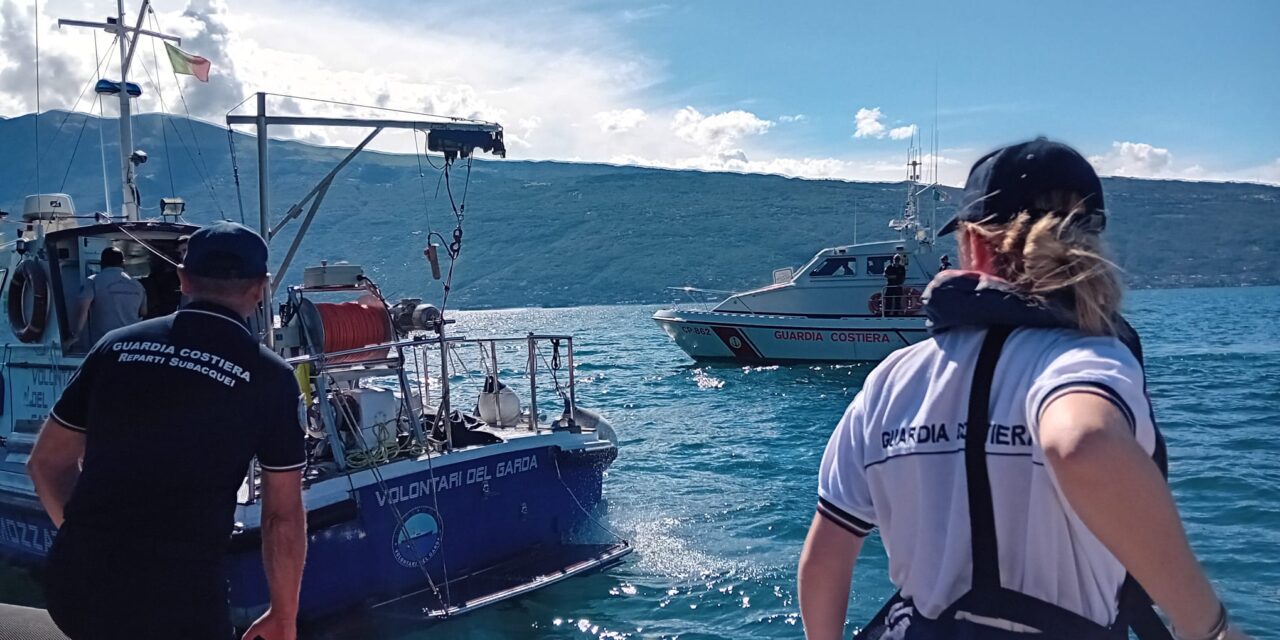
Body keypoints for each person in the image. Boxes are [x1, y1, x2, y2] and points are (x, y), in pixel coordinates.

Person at [798, 139, 1247, 640]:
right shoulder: (1084, 360)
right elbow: (1083, 443)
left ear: (974, 244)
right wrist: (1211, 628)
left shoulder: (892, 378)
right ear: (1090, 243)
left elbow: (824, 561)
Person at [27, 222, 308, 640]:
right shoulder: (269, 377)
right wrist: (284, 615)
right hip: (178, 597)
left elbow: (45, 464)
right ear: (261, 287)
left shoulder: (114, 347)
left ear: (182, 278)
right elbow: (281, 517)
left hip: (77, 585)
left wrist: (85, 538)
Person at [73, 246, 147, 346]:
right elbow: (143, 312)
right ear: (122, 263)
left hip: (105, 342)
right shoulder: (137, 285)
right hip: (130, 343)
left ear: (102, 262)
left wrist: (75, 335)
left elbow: (83, 308)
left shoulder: (93, 281)